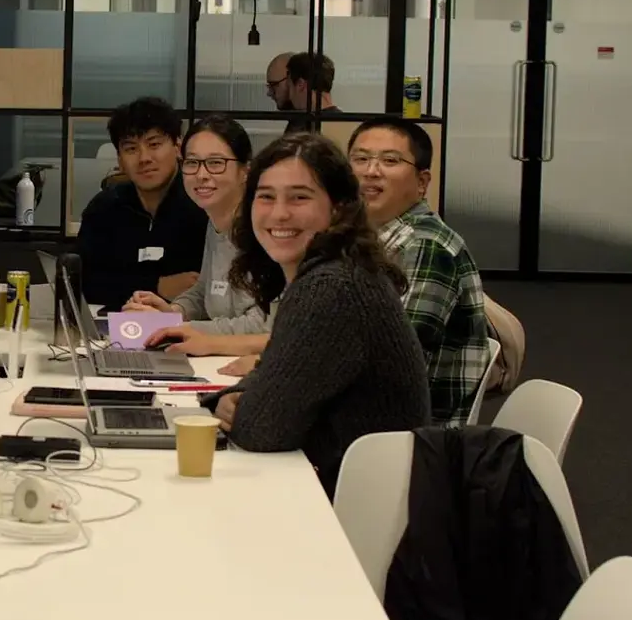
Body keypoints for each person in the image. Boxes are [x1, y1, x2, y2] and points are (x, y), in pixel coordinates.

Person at [203, 133, 430, 496]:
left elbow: (261, 429)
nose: (279, 213)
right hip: (349, 493)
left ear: (338, 208)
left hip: (358, 518)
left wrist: (236, 404)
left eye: (299, 197)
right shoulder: (335, 272)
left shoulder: (333, 288)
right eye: (265, 197)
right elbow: (276, 372)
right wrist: (234, 397)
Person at [348, 117, 489, 426]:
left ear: (422, 182)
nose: (370, 171)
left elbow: (391, 355)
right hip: (372, 416)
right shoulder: (367, 239)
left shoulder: (425, 244)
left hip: (414, 437)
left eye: (390, 160)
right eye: (360, 159)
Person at [124, 115, 271, 356]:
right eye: (192, 163)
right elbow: (204, 291)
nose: (201, 174)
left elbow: (261, 325)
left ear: (246, 170)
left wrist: (176, 327)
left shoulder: (264, 230)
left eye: (216, 163)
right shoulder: (215, 222)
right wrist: (172, 312)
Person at [75, 96, 205, 310]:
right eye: (131, 149)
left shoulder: (202, 203)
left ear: (178, 146)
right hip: (114, 326)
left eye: (154, 144)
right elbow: (84, 281)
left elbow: (201, 286)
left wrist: (126, 284)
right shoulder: (104, 207)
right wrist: (157, 285)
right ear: (119, 159)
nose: (144, 158)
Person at [266, 52, 340, 132]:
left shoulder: (303, 127)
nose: (290, 95)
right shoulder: (346, 123)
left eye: (289, 86)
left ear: (300, 84)